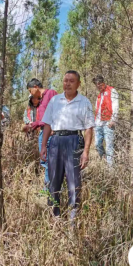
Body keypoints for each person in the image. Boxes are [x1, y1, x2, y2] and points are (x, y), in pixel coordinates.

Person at [40, 71, 95, 220]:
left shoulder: (84, 102)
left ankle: (73, 217)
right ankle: (54, 216)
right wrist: (44, 145)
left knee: (74, 182)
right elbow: (47, 124)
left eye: (71, 81)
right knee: (53, 179)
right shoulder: (55, 101)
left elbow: (89, 128)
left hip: (74, 141)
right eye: (65, 81)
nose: (68, 84)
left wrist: (86, 152)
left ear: (78, 84)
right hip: (55, 141)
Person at [26, 79, 57, 188]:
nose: (30, 93)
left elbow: (57, 112)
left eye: (30, 91)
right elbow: (43, 118)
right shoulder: (41, 99)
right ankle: (48, 187)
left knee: (50, 161)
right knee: (44, 161)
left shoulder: (51, 93)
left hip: (50, 132)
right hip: (43, 131)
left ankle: (50, 188)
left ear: (35, 87)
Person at [92, 75, 119, 168]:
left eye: (99, 84)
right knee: (97, 144)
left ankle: (110, 168)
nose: (98, 86)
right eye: (97, 85)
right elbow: (97, 109)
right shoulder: (99, 95)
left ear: (103, 82)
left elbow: (116, 106)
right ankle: (104, 160)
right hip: (98, 123)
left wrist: (113, 119)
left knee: (109, 147)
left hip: (108, 123)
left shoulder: (112, 91)